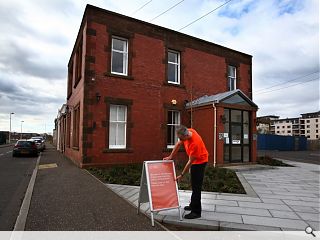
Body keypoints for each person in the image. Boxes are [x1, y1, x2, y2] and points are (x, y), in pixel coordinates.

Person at [163, 125, 208, 219]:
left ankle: (196, 212)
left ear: (186, 136)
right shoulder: (188, 131)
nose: (180, 140)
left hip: (200, 162)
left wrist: (181, 175)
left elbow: (190, 162)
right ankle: (192, 204)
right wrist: (171, 156)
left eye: (181, 138)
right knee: (193, 183)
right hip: (195, 160)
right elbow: (178, 144)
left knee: (196, 187)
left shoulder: (195, 143)